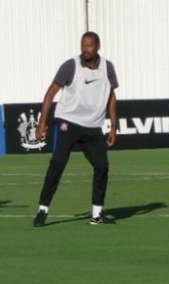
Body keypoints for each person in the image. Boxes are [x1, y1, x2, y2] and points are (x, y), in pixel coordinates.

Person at [33, 31, 118, 227]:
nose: (85, 49)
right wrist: (42, 122)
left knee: (102, 166)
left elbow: (111, 97)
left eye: (89, 46)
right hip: (68, 123)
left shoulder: (108, 67)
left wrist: (113, 126)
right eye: (83, 45)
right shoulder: (71, 65)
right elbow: (50, 93)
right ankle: (42, 210)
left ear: (98, 47)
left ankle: (97, 214)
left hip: (93, 126)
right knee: (57, 164)